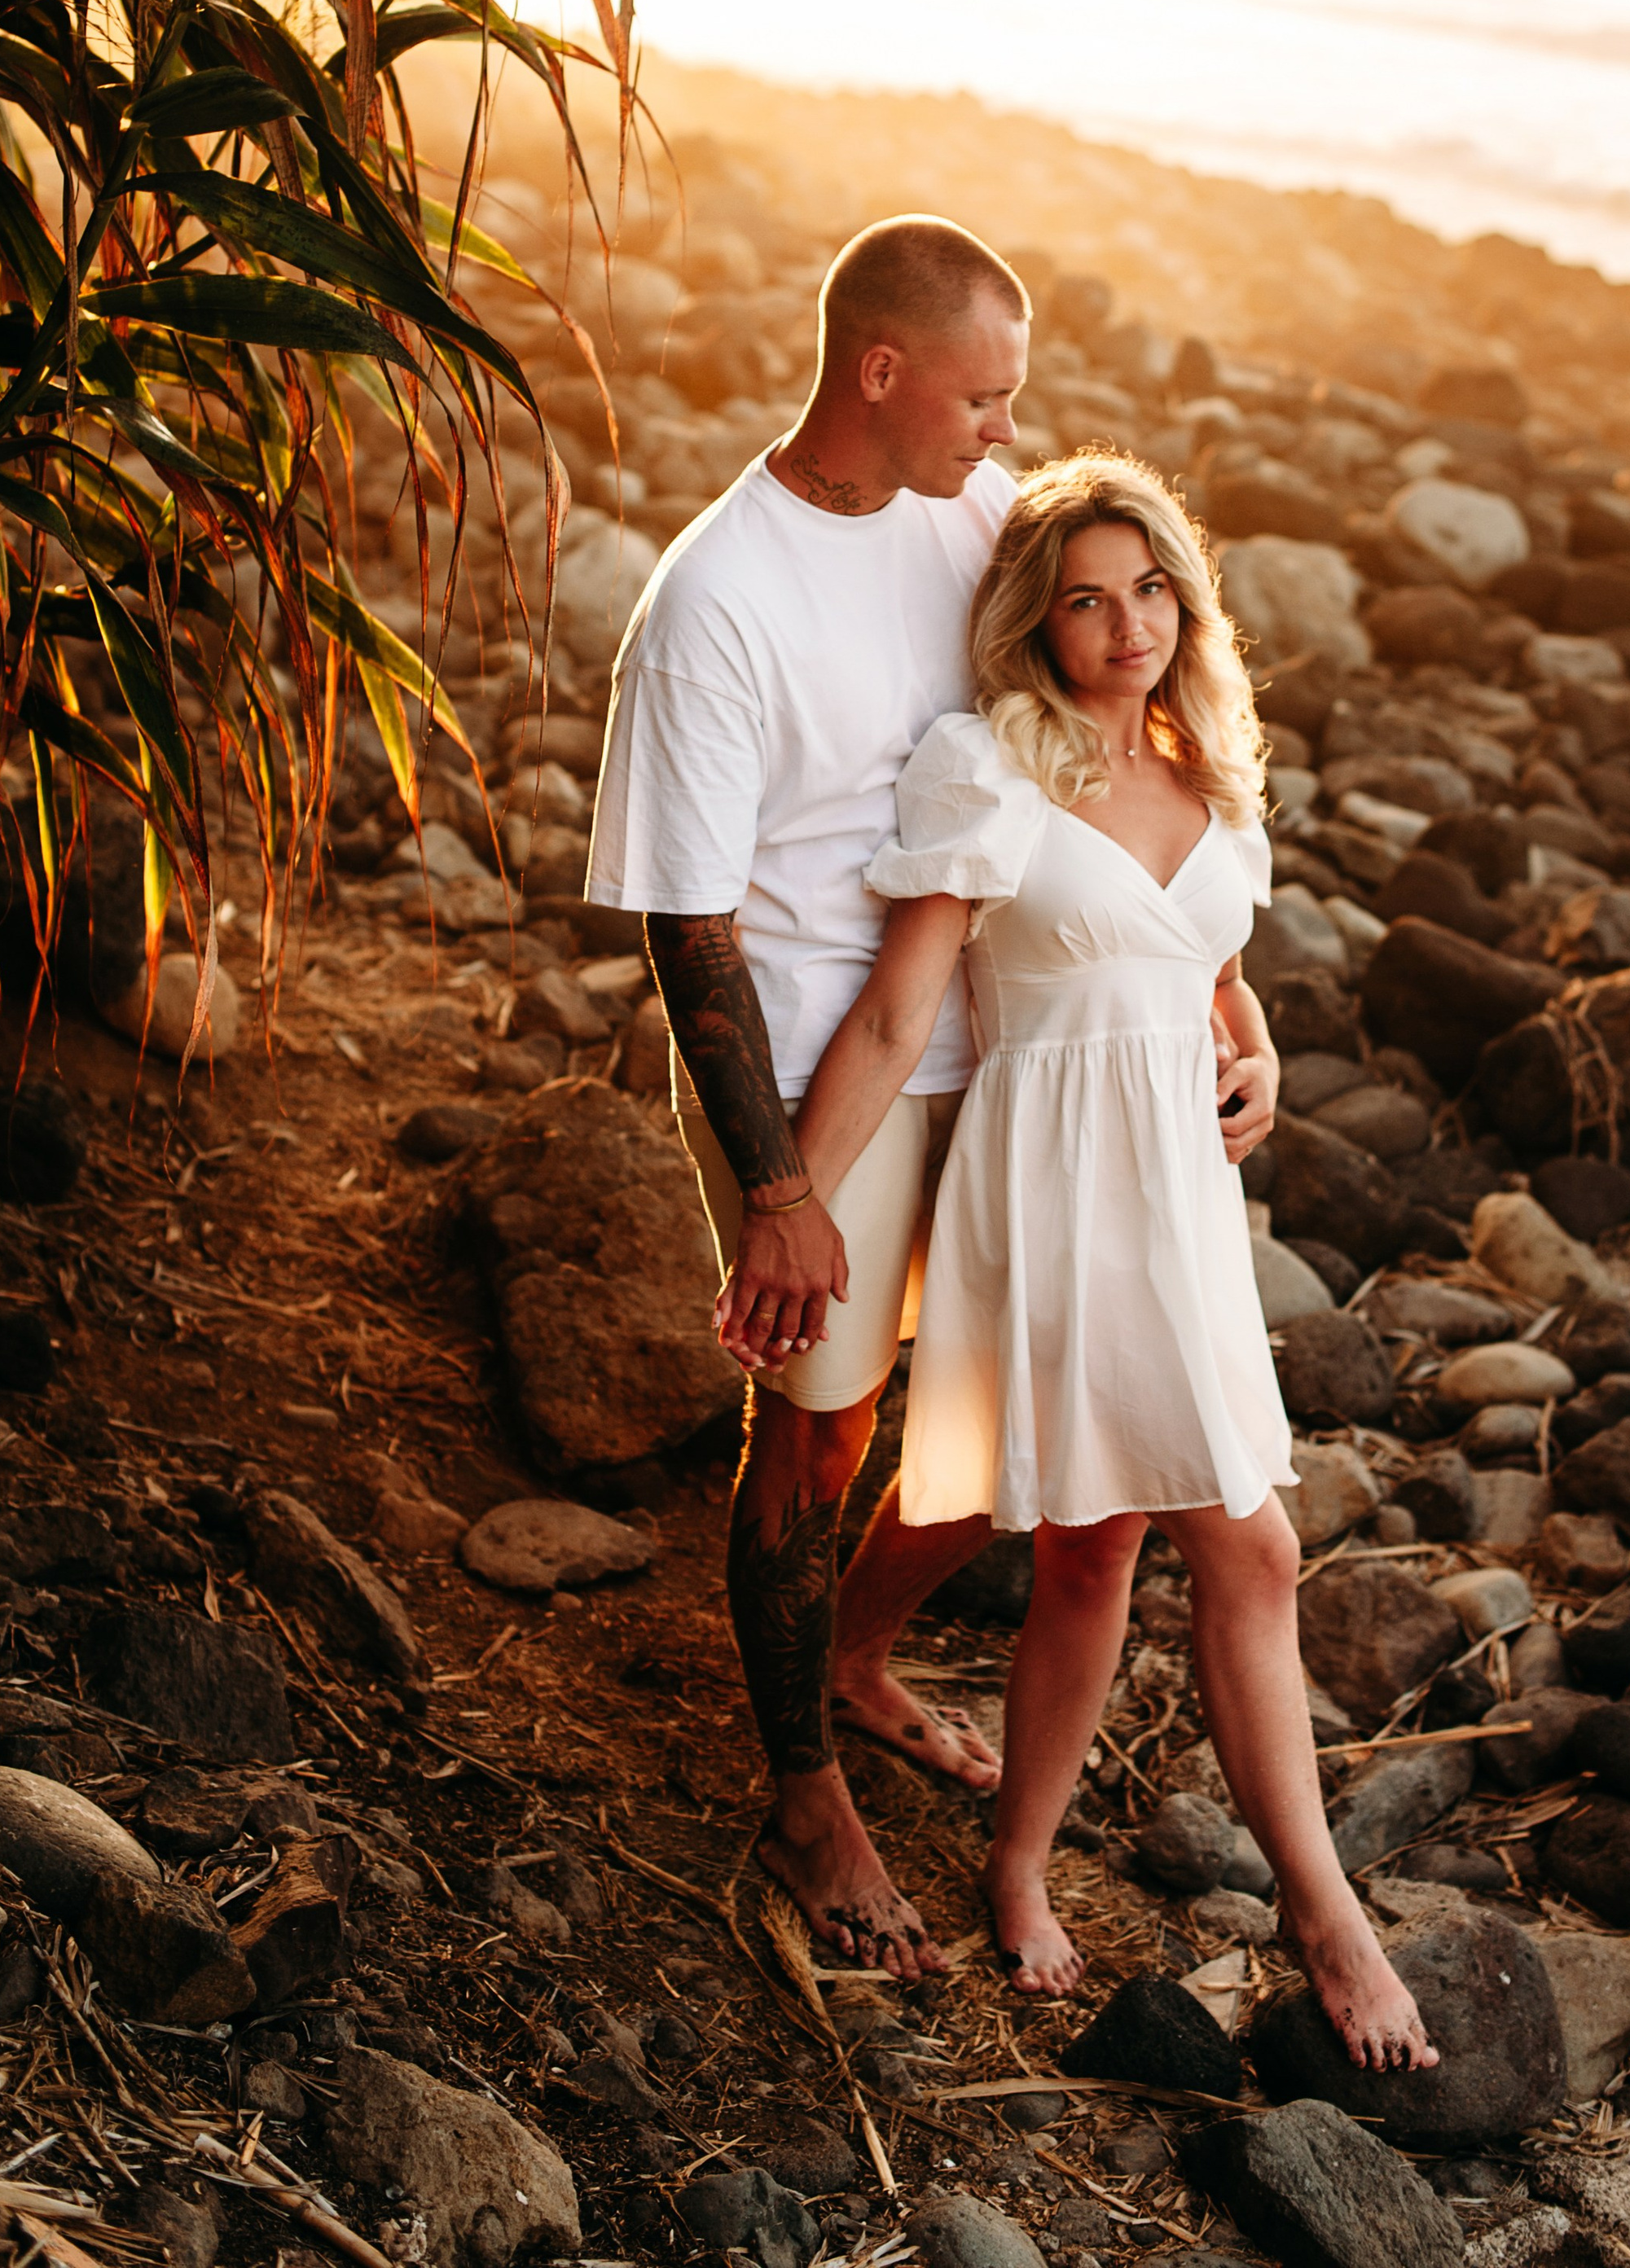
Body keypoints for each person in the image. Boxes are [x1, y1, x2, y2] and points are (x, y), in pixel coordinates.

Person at [785, 452, 1436, 2070]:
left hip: (1183, 1201)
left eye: (1148, 588)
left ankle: (979, 1802)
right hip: (1055, 1182)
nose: (1121, 622)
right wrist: (784, 1198)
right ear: (1039, 619)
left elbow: (1203, 959)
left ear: (1184, 602)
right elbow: (894, 1008)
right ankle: (1300, 1908)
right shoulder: (988, 768)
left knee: (1096, 1539)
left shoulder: (1206, 767)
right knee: (1182, 1548)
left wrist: (1259, 1048)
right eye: (1082, 596)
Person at [587, 214, 1051, 1978]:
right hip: (801, 1070)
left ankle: (854, 1656)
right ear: (880, 371)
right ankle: (798, 1788)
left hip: (981, 1034)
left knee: (995, 1433)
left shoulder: (969, 516)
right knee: (823, 1430)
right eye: (980, 395)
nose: (1002, 428)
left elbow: (1098, 683)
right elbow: (679, 919)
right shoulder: (719, 599)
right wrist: (773, 1184)